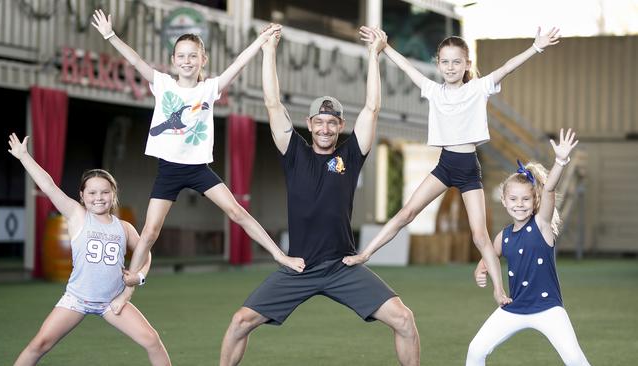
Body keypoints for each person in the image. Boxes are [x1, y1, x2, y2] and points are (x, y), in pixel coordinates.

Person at [219, 26, 420, 366]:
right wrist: (269, 53)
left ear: (340, 126)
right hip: (299, 266)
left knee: (404, 319)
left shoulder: (351, 156)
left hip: (342, 265)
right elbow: (272, 102)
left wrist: (374, 56)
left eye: (333, 123)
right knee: (240, 323)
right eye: (319, 122)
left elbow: (371, 108)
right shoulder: (294, 153)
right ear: (309, 124)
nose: (326, 128)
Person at [342, 27, 562, 305]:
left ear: (467, 64)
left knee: (480, 235)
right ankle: (365, 254)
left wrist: (537, 47)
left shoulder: (477, 88)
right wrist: (384, 47)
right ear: (438, 64)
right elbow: (408, 68)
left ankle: (498, 290)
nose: (450, 67)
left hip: (469, 167)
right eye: (445, 62)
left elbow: (507, 67)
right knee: (407, 212)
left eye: (457, 61)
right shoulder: (433, 90)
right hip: (446, 164)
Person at [90, 10, 305, 284]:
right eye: (181, 56)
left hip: (198, 169)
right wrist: (110, 35)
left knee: (237, 212)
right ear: (173, 60)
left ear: (203, 60)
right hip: (168, 170)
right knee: (151, 232)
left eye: (193, 56)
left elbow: (238, 64)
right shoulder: (164, 84)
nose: (187, 61)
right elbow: (134, 60)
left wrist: (260, 41)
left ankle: (280, 256)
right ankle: (129, 284)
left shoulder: (209, 89)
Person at [8, 133, 171, 366]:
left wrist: (139, 277)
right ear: (82, 196)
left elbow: (146, 252)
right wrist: (24, 157)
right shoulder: (77, 216)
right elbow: (48, 184)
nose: (99, 197)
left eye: (105, 192)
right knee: (39, 344)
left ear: (113, 194)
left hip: (112, 301)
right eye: (92, 193)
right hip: (77, 299)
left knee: (152, 340)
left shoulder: (123, 227)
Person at [466, 128, 590, 365]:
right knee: (476, 350)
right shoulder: (503, 237)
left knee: (575, 359)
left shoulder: (542, 225)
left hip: (548, 308)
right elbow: (488, 258)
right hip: (515, 307)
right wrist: (481, 269)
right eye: (513, 199)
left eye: (525, 199)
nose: (519, 205)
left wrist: (561, 161)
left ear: (535, 201)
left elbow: (550, 188)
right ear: (504, 201)